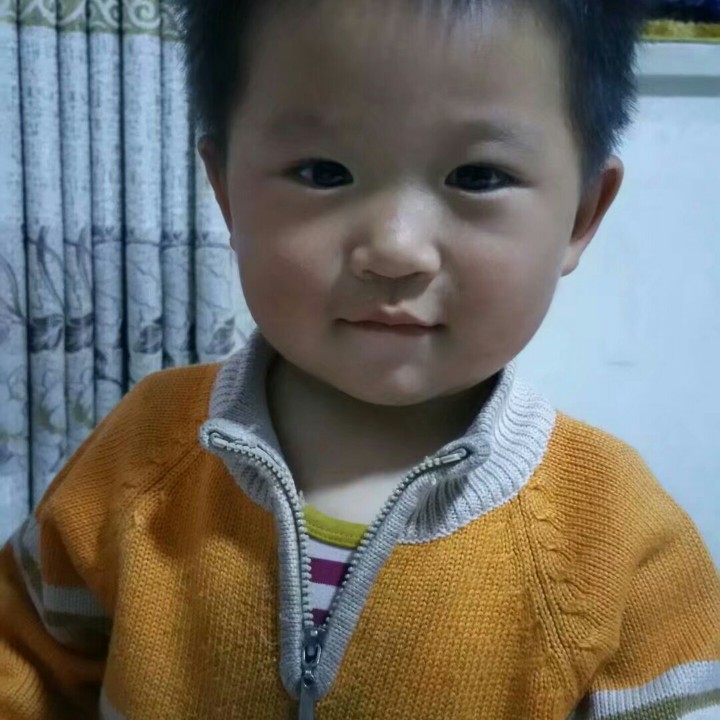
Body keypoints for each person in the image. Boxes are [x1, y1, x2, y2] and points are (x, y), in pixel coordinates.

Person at [2, 0, 719, 717]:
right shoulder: (143, 452)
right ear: (226, 193)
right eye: (322, 172)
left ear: (582, 215)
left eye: (477, 176)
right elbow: (25, 661)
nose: (396, 249)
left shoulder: (620, 539)